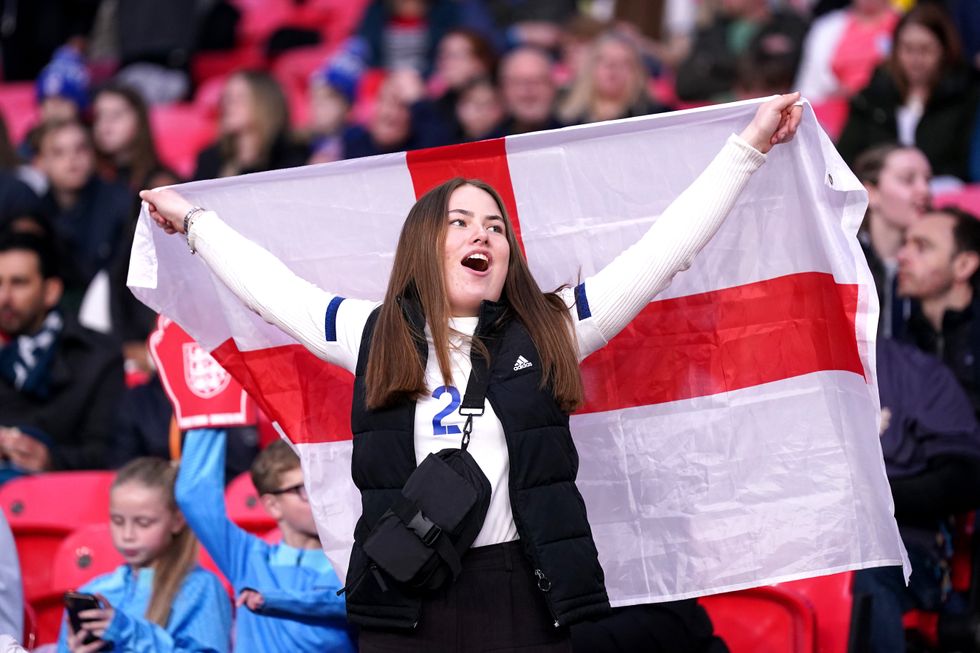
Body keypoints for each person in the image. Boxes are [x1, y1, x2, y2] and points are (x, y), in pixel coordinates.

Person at [140, 93, 803, 651]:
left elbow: (663, 250)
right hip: (406, 602)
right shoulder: (371, 333)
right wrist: (194, 220)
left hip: (523, 592)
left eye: (496, 227)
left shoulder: (551, 330)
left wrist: (749, 145)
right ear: (425, 244)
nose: (483, 234)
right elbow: (269, 287)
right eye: (461, 222)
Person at [853, 337, 980, 653]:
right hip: (797, 542)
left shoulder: (913, 372)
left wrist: (875, 495)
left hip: (901, 547)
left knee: (864, 582)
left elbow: (966, 477)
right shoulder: (777, 375)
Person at [175, 429, 354, 652]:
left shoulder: (352, 562)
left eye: (324, 484)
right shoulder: (247, 557)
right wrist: (209, 415)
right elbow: (194, 498)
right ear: (272, 505)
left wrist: (273, 601)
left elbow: (345, 605)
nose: (321, 497)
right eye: (304, 489)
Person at [56, 457, 232, 652]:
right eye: (117, 520)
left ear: (177, 521)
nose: (127, 535)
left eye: (143, 523)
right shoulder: (96, 589)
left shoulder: (202, 588)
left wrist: (128, 632)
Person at [0, 231, 124, 473]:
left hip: (65, 500)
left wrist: (51, 461)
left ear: (51, 291)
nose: (4, 297)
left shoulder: (98, 357)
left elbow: (108, 452)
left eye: (19, 283)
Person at [836, 3, 980, 181]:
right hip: (877, 193)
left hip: (944, 191)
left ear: (944, 51)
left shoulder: (964, 96)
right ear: (895, 50)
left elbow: (963, 165)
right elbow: (844, 159)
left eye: (925, 49)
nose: (915, 59)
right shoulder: (872, 97)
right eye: (908, 49)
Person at [897, 206, 980, 414]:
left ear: (964, 265)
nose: (902, 256)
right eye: (904, 244)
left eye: (922, 247)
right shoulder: (900, 343)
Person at [852, 143, 932, 338]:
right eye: (908, 179)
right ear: (872, 193)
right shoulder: (843, 258)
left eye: (928, 180)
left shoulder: (939, 262)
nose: (924, 190)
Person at [193, 71, 308, 181]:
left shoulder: (291, 155)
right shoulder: (211, 159)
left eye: (239, 98)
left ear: (265, 104)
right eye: (226, 97)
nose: (227, 105)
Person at [558, 31, 666, 126]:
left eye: (624, 63)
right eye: (604, 60)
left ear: (637, 73)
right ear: (590, 68)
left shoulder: (655, 119)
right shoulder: (563, 121)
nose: (613, 68)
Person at [92, 83, 178, 193]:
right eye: (99, 116)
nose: (104, 124)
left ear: (140, 120)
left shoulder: (160, 182)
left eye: (116, 115)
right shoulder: (89, 174)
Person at [498, 46, 562, 135]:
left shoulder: (578, 140)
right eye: (518, 83)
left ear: (552, 86)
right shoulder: (486, 145)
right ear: (503, 89)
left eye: (537, 81)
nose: (527, 92)